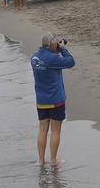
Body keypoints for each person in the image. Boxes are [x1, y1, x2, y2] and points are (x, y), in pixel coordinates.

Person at [30, 33, 75, 166]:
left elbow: (46, 61)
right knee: (55, 131)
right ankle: (54, 160)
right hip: (56, 99)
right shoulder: (53, 58)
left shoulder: (34, 57)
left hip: (41, 99)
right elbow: (70, 62)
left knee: (42, 130)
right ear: (53, 44)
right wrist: (63, 49)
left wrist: (56, 50)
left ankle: (41, 160)